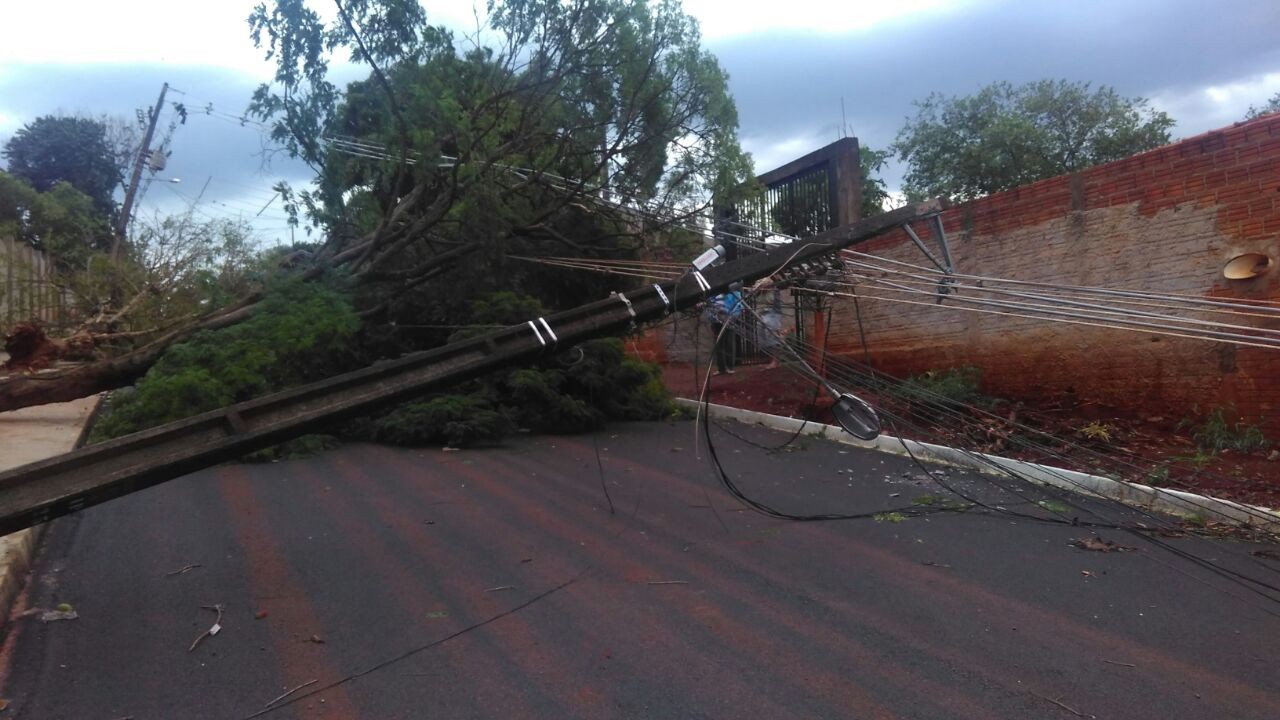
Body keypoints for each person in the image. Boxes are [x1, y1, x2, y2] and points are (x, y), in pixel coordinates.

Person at [706, 282, 744, 375]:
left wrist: (732, 316)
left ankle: (730, 366)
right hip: (716, 321)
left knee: (729, 343)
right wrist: (712, 316)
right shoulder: (713, 293)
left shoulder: (735, 293)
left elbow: (739, 306)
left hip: (729, 320)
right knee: (718, 344)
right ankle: (721, 368)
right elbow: (709, 305)